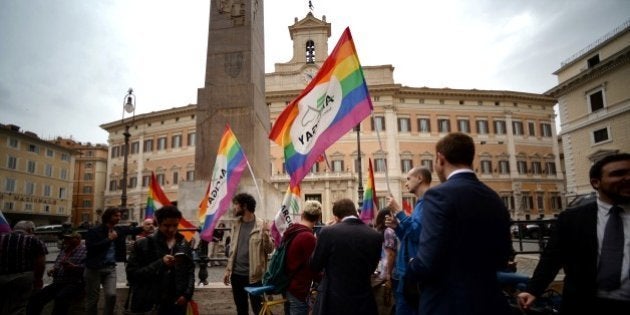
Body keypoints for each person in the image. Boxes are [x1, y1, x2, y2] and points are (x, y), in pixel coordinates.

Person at [407, 132, 513, 315]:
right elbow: (504, 256)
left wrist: (411, 264)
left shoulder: (438, 195)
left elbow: (427, 262)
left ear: (440, 159)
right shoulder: (494, 197)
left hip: (447, 303)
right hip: (490, 302)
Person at [517, 153, 630, 314]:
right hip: (583, 304)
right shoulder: (571, 218)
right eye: (618, 174)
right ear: (595, 182)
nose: (627, 178)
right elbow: (552, 258)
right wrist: (533, 290)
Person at [310, 198, 383, 315]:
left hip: (335, 302)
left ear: (336, 217)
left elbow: (315, 265)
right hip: (363, 302)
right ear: (354, 212)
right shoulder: (375, 236)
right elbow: (372, 268)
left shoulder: (328, 232)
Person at [126, 205, 195, 314]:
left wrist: (187, 294)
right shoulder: (143, 244)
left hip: (177, 302)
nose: (171, 229)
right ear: (158, 223)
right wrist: (161, 263)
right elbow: (132, 274)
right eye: (167, 226)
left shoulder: (183, 242)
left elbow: (190, 270)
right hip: (151, 303)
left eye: (175, 225)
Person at [385, 166, 432, 315]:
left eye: (408, 178)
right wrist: (397, 227)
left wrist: (399, 211)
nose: (406, 183)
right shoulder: (420, 204)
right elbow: (410, 237)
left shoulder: (427, 203)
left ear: (420, 179)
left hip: (413, 274)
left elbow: (417, 233)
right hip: (407, 273)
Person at [223, 192, 274, 315]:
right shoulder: (235, 224)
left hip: (254, 277)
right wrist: (228, 269)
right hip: (236, 275)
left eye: (236, 205)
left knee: (259, 310)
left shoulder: (261, 225)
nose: (234, 208)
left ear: (244, 206)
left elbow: (270, 250)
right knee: (241, 309)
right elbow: (233, 249)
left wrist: (266, 234)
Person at [84, 207, 141, 315]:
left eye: (119, 216)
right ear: (108, 216)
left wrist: (149, 226)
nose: (119, 218)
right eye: (116, 216)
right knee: (93, 299)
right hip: (94, 268)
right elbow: (91, 248)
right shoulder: (94, 230)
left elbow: (133, 230)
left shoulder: (118, 230)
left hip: (110, 268)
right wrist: (109, 239)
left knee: (112, 295)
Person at [27, 231, 87, 315]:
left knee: (61, 298)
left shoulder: (85, 251)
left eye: (69, 238)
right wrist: (53, 269)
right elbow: (57, 264)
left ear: (78, 239)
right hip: (59, 282)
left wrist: (74, 267)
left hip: (75, 283)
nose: (66, 240)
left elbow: (87, 269)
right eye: (66, 238)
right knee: (37, 297)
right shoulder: (64, 251)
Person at [283, 200, 322, 315]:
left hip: (288, 282)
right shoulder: (308, 237)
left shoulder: (292, 230)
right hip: (299, 288)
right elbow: (313, 266)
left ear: (303, 214)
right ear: (318, 218)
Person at [0, 221, 48, 315]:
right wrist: (38, 280)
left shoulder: (1, 238)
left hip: (1, 277)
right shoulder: (34, 240)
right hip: (23, 278)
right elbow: (40, 263)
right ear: (30, 230)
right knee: (18, 306)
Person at [374, 208, 398, 315]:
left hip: (390, 270)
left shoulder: (388, 231)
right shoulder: (387, 231)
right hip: (387, 268)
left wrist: (388, 274)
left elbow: (390, 253)